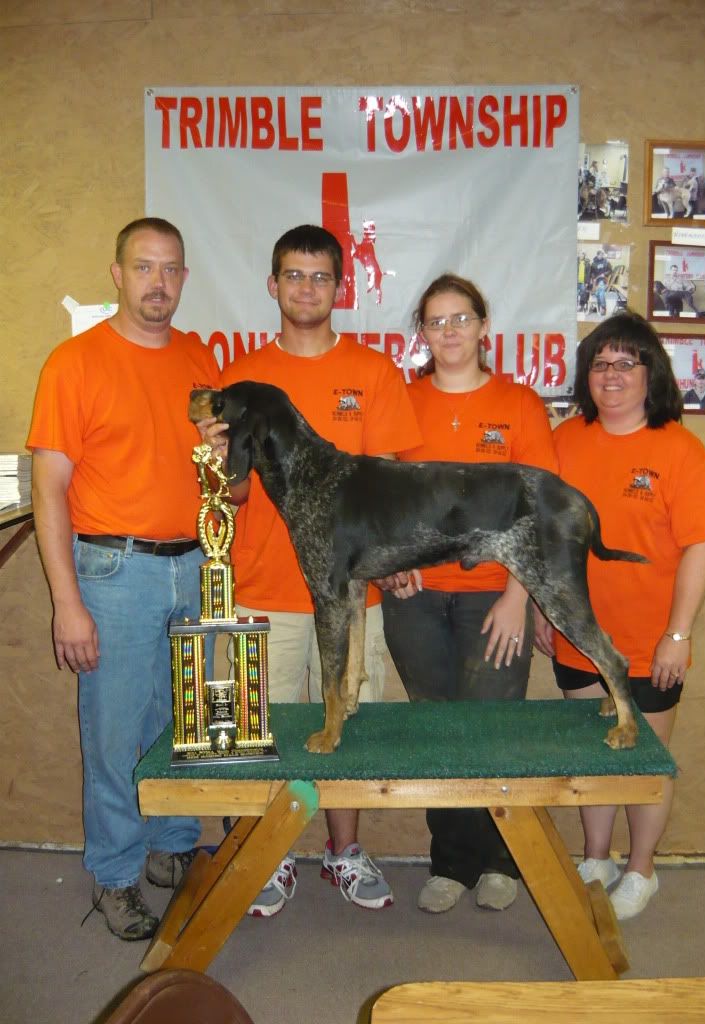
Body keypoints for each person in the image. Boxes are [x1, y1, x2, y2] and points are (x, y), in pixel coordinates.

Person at [202, 225, 421, 917]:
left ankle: (344, 852)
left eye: (320, 276)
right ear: (273, 285)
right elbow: (235, 492)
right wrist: (218, 456)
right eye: (294, 275)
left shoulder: (374, 373)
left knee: (345, 727)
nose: (306, 288)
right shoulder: (242, 380)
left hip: (352, 594)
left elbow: (393, 484)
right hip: (263, 586)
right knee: (259, 733)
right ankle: (268, 858)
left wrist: (399, 560)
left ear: (339, 287)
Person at [27, 218, 221, 940]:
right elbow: (49, 489)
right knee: (113, 736)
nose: (157, 284)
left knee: (183, 724)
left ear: (184, 278)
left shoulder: (199, 358)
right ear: (117, 274)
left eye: (170, 269)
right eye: (143, 267)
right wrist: (67, 604)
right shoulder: (73, 363)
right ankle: (114, 874)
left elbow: (217, 473)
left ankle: (172, 848)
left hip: (194, 565)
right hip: (114, 572)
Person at [535, 312, 705, 921]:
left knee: (646, 758)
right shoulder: (565, 440)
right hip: (580, 635)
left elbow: (702, 545)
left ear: (652, 374)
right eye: (600, 363)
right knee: (593, 754)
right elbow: (543, 533)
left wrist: (679, 635)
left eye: (627, 363)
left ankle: (642, 869)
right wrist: (544, 607)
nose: (612, 375)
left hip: (651, 642)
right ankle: (596, 858)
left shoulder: (680, 449)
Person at [379, 274, 558, 914]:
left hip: (494, 596)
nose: (449, 331)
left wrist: (518, 597)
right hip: (417, 599)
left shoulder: (519, 404)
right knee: (438, 730)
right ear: (422, 333)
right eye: (436, 321)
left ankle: (502, 860)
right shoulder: (401, 401)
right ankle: (451, 863)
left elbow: (537, 508)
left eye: (461, 318)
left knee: (491, 728)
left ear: (484, 326)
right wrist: (391, 563)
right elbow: (382, 499)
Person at [588, 250, 612, 316]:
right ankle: (599, 307)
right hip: (596, 281)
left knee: (601, 292)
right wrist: (593, 278)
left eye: (602, 254)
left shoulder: (606, 262)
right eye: (600, 254)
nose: (601, 256)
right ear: (597, 255)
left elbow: (610, 270)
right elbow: (592, 272)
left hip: (603, 280)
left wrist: (605, 274)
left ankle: (603, 308)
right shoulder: (593, 263)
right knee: (597, 294)